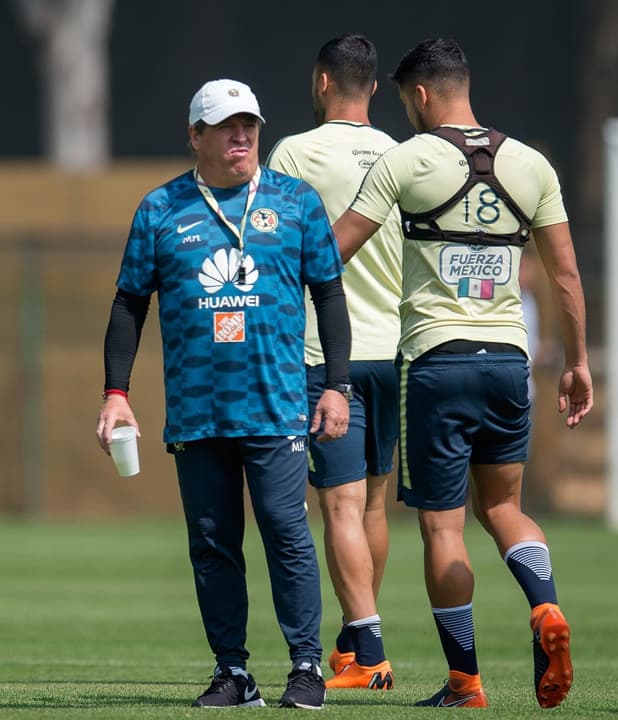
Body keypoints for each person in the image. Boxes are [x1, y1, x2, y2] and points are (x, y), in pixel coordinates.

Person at [331, 38, 593, 709]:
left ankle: (465, 682)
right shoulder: (532, 165)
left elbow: (336, 250)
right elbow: (565, 275)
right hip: (509, 363)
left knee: (443, 529)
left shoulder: (406, 159)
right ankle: (544, 606)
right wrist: (577, 363)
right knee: (505, 508)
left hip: (436, 365)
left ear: (419, 95)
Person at [95, 78, 353, 710]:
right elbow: (129, 303)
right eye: (226, 126)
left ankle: (307, 667)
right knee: (212, 544)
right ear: (196, 135)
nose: (242, 135)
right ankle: (233, 673)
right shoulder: (160, 208)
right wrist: (116, 393)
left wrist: (337, 385)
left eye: (250, 125)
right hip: (198, 410)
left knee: (286, 534)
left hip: (277, 404)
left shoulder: (296, 201)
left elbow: (328, 293)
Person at [265, 34, 402, 692]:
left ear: (322, 82)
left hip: (326, 357)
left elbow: (273, 245)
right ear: (373, 87)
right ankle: (354, 642)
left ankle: (369, 651)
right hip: (394, 351)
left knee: (339, 508)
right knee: (373, 506)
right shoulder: (403, 156)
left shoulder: (296, 152)